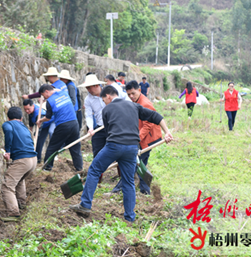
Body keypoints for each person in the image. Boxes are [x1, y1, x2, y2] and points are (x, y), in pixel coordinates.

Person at [69, 86, 173, 223]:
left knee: (94, 170)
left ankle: (85, 205)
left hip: (114, 145)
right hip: (132, 148)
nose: (104, 103)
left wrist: (114, 154)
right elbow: (156, 116)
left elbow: (108, 133)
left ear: (109, 97)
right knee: (128, 181)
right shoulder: (134, 106)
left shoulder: (107, 110)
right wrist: (167, 132)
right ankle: (130, 217)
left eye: (104, 100)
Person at [111, 80, 163, 195]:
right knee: (137, 164)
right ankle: (144, 190)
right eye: (129, 94)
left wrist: (137, 138)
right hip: (141, 138)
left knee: (134, 164)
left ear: (139, 90)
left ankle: (120, 190)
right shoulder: (134, 102)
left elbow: (149, 124)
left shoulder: (145, 103)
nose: (131, 96)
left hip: (148, 139)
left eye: (133, 93)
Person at [1, 107, 38, 221]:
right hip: (33, 159)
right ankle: (21, 204)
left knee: (7, 186)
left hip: (22, 160)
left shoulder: (8, 124)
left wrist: (8, 150)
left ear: (8, 118)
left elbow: (8, 131)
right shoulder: (24, 127)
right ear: (21, 118)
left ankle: (13, 213)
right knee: (20, 180)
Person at [37, 84, 83, 171]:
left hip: (63, 126)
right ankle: (79, 169)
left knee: (52, 148)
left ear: (47, 91)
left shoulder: (49, 101)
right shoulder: (64, 93)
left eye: (44, 95)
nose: (45, 98)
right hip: (74, 123)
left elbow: (48, 118)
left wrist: (40, 121)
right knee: (75, 148)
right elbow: (57, 90)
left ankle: (47, 168)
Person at [78, 74, 108, 158]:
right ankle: (98, 171)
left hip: (113, 127)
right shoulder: (88, 100)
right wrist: (90, 127)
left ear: (96, 85)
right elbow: (88, 115)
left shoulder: (109, 93)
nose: (88, 90)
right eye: (87, 88)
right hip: (100, 127)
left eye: (89, 88)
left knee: (118, 153)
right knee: (97, 152)